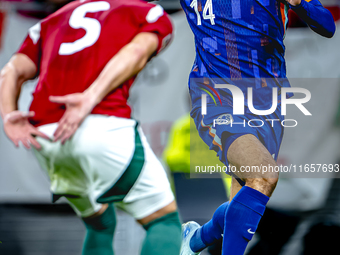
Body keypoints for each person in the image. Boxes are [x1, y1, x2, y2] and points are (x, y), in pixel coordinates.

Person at [0, 0, 182, 255]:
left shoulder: (51, 20)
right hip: (101, 127)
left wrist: (8, 114)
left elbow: (11, 70)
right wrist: (90, 96)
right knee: (163, 220)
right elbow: (137, 52)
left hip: (47, 137)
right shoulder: (146, 10)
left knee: (100, 223)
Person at [179, 0, 335, 254]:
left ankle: (196, 238)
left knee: (246, 200)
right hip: (217, 99)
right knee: (263, 175)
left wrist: (299, 4)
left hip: (267, 105)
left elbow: (327, 25)